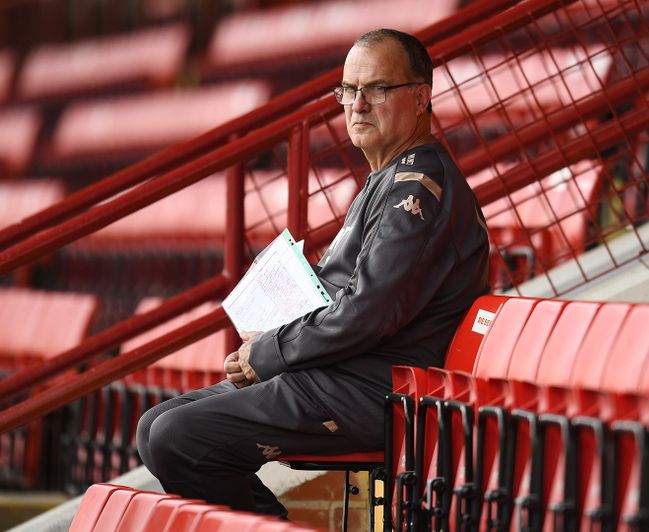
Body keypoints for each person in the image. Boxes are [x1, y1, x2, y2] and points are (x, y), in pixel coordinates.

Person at [135, 28, 490, 518]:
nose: (357, 104)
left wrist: (273, 349)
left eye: (377, 89)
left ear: (421, 97)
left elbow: (369, 310)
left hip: (378, 388)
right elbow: (352, 298)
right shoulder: (386, 177)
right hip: (337, 372)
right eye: (348, 90)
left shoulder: (419, 186)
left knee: (179, 437)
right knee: (155, 425)